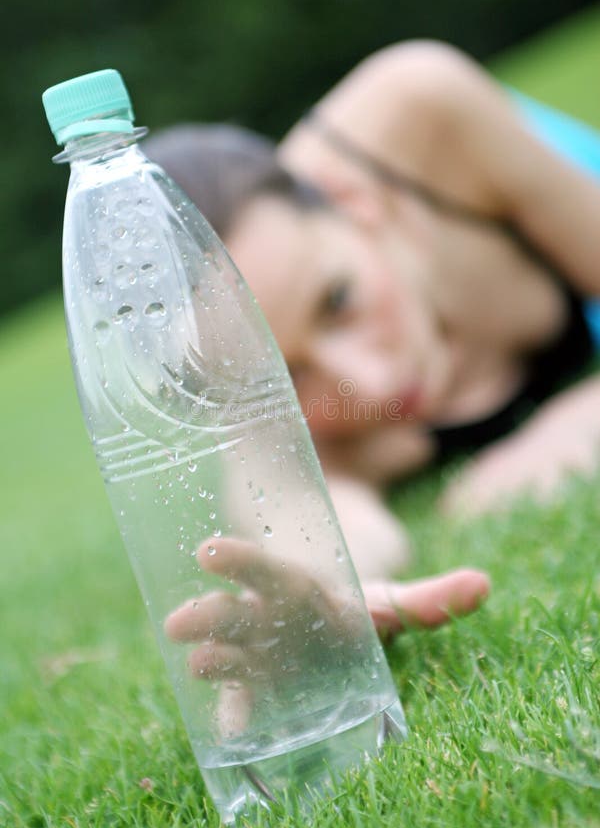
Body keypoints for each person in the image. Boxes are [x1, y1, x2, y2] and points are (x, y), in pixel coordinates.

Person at [144, 40, 600, 634]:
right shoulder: (232, 348)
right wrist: (328, 598)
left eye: (337, 301)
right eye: (290, 376)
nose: (370, 382)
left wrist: (574, 422)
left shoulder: (426, 108)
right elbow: (304, 519)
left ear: (351, 202)